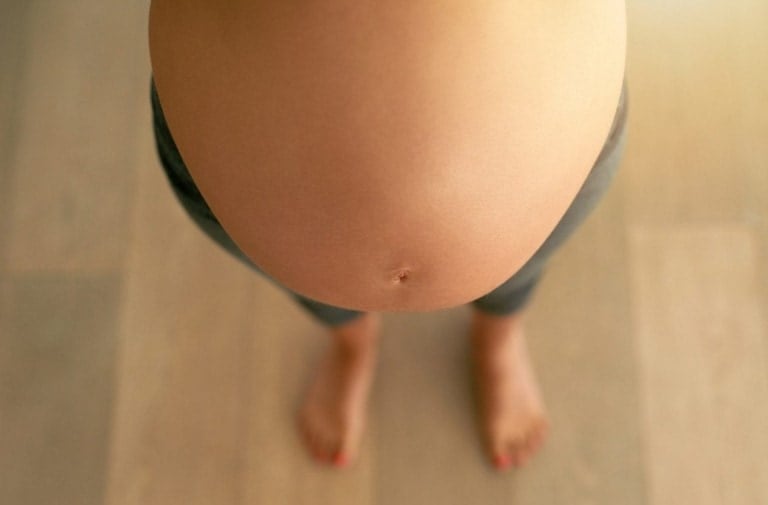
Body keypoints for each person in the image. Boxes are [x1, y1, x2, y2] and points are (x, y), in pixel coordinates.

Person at [147, 0, 628, 471]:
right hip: (237, 171)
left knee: (523, 267)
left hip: (553, 141)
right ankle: (351, 344)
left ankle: (498, 339)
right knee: (309, 290)